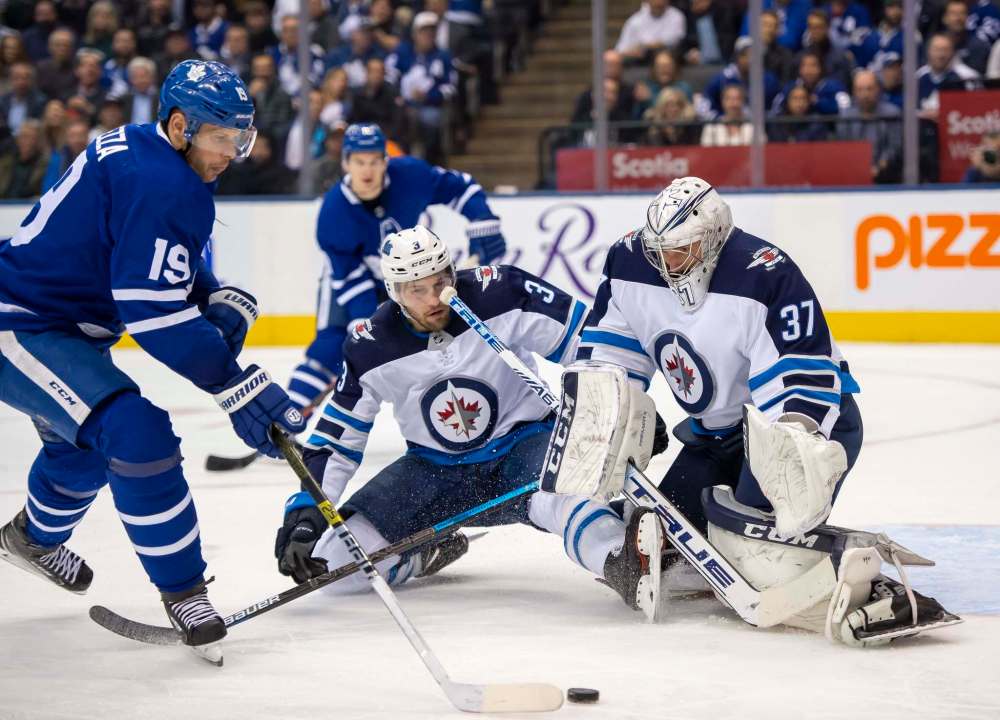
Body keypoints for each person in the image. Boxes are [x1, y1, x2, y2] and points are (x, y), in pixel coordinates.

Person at [0, 60, 305, 664]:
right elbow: (151, 314)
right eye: (221, 137)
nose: (232, 153)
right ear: (180, 126)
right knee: (136, 434)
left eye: (240, 138)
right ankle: (185, 591)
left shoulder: (149, 151)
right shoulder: (162, 181)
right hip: (20, 324)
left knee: (83, 451)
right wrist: (233, 384)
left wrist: (211, 292)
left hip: (60, 326)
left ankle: (30, 540)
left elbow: (151, 255)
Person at [567, 177, 957, 645]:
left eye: (682, 251)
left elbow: (803, 376)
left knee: (757, 556)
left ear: (713, 238)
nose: (669, 265)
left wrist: (794, 449)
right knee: (661, 541)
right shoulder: (630, 262)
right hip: (714, 437)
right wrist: (607, 409)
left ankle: (882, 593)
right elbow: (612, 349)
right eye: (661, 252)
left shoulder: (765, 273)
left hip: (796, 431)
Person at [274, 225, 665, 620]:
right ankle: (423, 554)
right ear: (394, 291)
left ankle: (620, 558)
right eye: (417, 290)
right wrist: (306, 511)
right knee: (335, 565)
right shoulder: (370, 346)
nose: (434, 299)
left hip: (525, 445)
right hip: (433, 473)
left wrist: (625, 401)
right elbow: (338, 442)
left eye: (440, 282)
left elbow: (591, 341)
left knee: (567, 494)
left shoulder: (503, 291)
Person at [284, 122, 507, 412]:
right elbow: (349, 278)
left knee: (439, 332)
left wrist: (483, 220)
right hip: (353, 278)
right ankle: (287, 415)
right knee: (330, 347)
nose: (367, 171)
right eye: (359, 162)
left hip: (408, 274)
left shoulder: (410, 175)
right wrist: (367, 326)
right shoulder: (333, 213)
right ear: (346, 163)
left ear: (385, 161)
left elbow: (460, 187)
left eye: (374, 161)